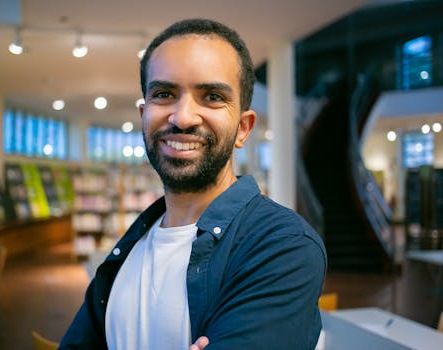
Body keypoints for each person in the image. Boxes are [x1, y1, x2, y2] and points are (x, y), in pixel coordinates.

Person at [59, 18, 327, 350]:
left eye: (212, 96)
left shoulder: (283, 246)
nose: (183, 117)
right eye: (164, 94)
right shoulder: (134, 242)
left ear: (243, 128)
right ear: (143, 114)